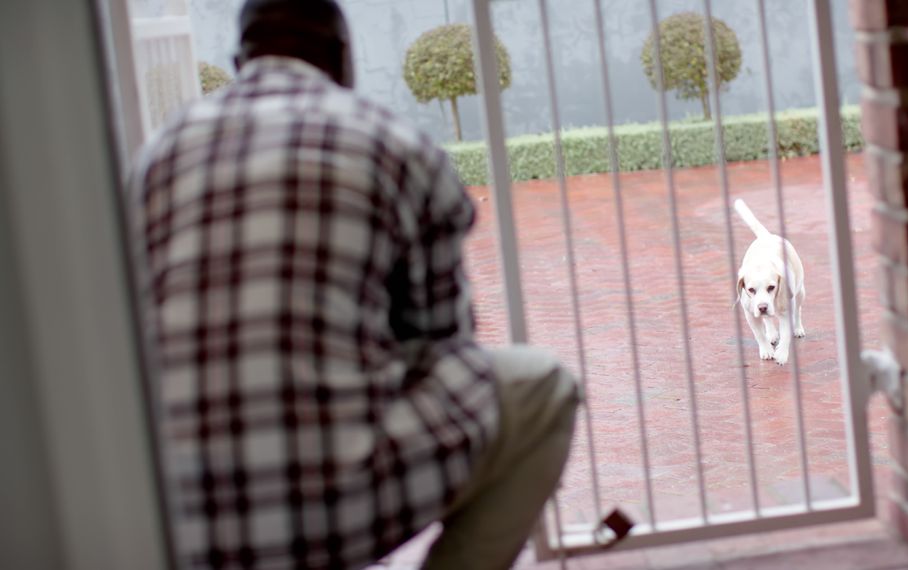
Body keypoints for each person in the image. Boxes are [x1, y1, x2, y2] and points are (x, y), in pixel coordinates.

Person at [126, 1, 579, 568]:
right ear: (343, 61)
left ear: (240, 59)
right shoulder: (394, 142)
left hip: (173, 514)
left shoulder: (155, 155)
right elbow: (446, 339)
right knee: (544, 390)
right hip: (329, 509)